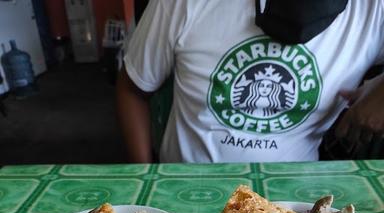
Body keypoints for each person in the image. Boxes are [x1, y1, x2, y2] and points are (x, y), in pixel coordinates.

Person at [116, 0, 384, 163]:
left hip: (295, 190)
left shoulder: (373, 10)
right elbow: (132, 87)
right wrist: (146, 174)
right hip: (190, 181)